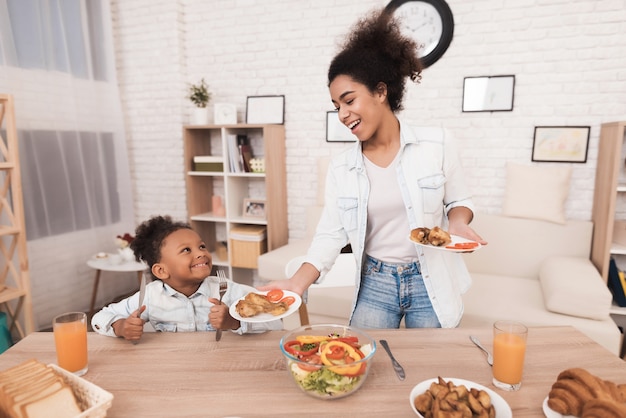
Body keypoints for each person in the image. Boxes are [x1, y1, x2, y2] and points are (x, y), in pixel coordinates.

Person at [260, 9, 486, 329]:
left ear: (381, 92)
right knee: (368, 361)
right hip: (376, 282)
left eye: (349, 100)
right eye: (337, 106)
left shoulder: (437, 144)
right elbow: (329, 235)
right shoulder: (342, 169)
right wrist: (296, 284)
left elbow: (459, 200)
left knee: (428, 366)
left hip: (431, 276)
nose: (342, 114)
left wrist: (459, 224)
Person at [92, 215, 281, 340]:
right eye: (186, 250)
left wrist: (234, 321)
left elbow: (275, 322)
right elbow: (100, 317)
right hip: (174, 369)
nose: (201, 253)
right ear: (161, 271)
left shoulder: (226, 290)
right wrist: (121, 326)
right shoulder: (150, 297)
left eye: (202, 246)